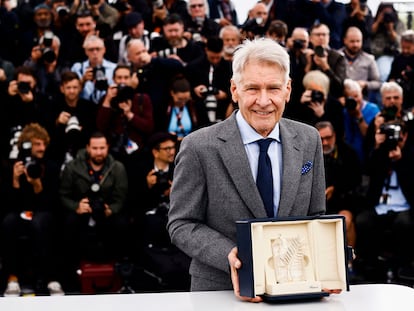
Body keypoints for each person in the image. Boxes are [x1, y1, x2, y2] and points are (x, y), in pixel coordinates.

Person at [167, 38, 326, 302]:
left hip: (295, 290)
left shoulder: (309, 139)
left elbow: (316, 216)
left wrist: (329, 264)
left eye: (273, 88)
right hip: (220, 292)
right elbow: (181, 224)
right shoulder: (198, 146)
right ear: (234, 89)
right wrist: (228, 254)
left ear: (288, 89)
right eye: (252, 88)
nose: (263, 101)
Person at [1, 123, 64, 296]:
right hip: (19, 213)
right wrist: (15, 181)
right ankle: (12, 279)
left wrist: (37, 186)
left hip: (44, 214)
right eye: (37, 144)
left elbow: (53, 204)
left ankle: (51, 279)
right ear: (27, 145)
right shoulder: (13, 166)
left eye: (44, 144)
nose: (42, 148)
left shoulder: (51, 167)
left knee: (41, 221)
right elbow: (8, 205)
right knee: (8, 221)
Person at [59, 131, 129, 288]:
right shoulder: (72, 167)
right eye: (95, 148)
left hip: (107, 213)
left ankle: (120, 268)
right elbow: (63, 195)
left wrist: (110, 209)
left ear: (107, 148)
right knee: (69, 222)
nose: (99, 152)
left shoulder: (117, 168)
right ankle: (70, 271)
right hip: (81, 213)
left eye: (102, 148)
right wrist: (76, 206)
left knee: (122, 223)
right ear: (88, 148)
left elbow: (121, 198)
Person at [315, 121, 361, 249]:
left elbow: (355, 181)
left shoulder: (348, 153)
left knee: (345, 221)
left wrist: (335, 189)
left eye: (328, 138)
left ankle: (349, 262)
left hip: (343, 201)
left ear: (334, 136)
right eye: (321, 139)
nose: (325, 143)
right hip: (316, 204)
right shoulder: (310, 154)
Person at [339, 27, 382, 103]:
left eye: (358, 41)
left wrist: (365, 84)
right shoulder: (336, 56)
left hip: (362, 100)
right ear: (345, 41)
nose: (355, 44)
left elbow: (378, 83)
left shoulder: (369, 59)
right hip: (340, 97)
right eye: (352, 41)